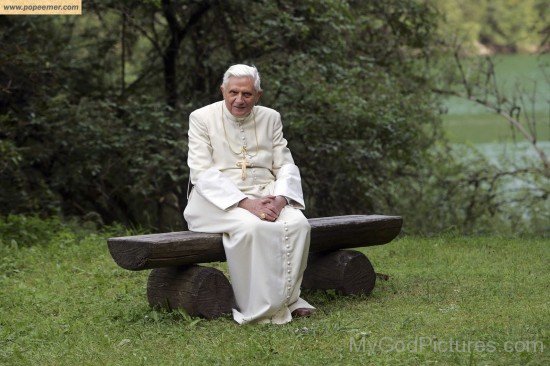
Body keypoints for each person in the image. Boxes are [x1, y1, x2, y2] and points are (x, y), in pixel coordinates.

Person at [184, 64, 314, 324]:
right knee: (253, 228)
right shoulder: (201, 118)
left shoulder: (271, 117)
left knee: (299, 224)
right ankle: (258, 306)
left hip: (267, 194)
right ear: (223, 90)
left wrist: (279, 200)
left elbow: (285, 163)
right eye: (233, 93)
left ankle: (289, 298)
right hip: (217, 201)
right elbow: (202, 172)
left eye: (247, 94)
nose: (239, 100)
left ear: (258, 95)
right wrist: (246, 203)